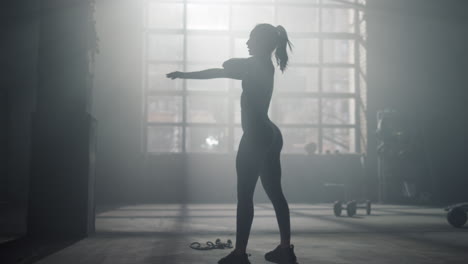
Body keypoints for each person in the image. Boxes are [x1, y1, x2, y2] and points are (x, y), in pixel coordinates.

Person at [167, 23, 298, 264]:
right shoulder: (263, 65)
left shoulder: (254, 64)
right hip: (270, 133)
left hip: (257, 135)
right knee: (276, 194)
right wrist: (231, 63)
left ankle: (239, 254)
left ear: (261, 42)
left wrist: (184, 75)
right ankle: (285, 249)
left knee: (245, 196)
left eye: (251, 39)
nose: (247, 42)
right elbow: (228, 65)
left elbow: (221, 68)